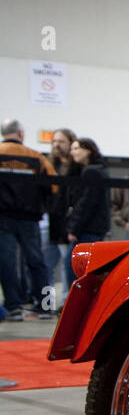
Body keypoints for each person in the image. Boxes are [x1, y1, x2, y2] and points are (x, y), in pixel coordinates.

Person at [0, 118, 55, 320]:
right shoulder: (36, 157)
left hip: (3, 218)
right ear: (21, 133)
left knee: (6, 262)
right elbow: (54, 186)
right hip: (30, 217)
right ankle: (45, 306)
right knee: (37, 261)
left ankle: (13, 307)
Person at [65, 138, 111, 283]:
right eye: (72, 149)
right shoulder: (98, 170)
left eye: (77, 148)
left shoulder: (91, 172)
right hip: (93, 228)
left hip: (87, 229)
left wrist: (74, 228)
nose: (73, 152)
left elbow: (86, 203)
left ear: (88, 150)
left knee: (75, 269)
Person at [44, 128, 79, 298]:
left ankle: (66, 301)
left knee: (68, 267)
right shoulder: (48, 165)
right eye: (54, 141)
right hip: (49, 221)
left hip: (67, 224)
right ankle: (46, 304)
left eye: (61, 141)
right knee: (46, 265)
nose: (56, 145)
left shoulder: (76, 168)